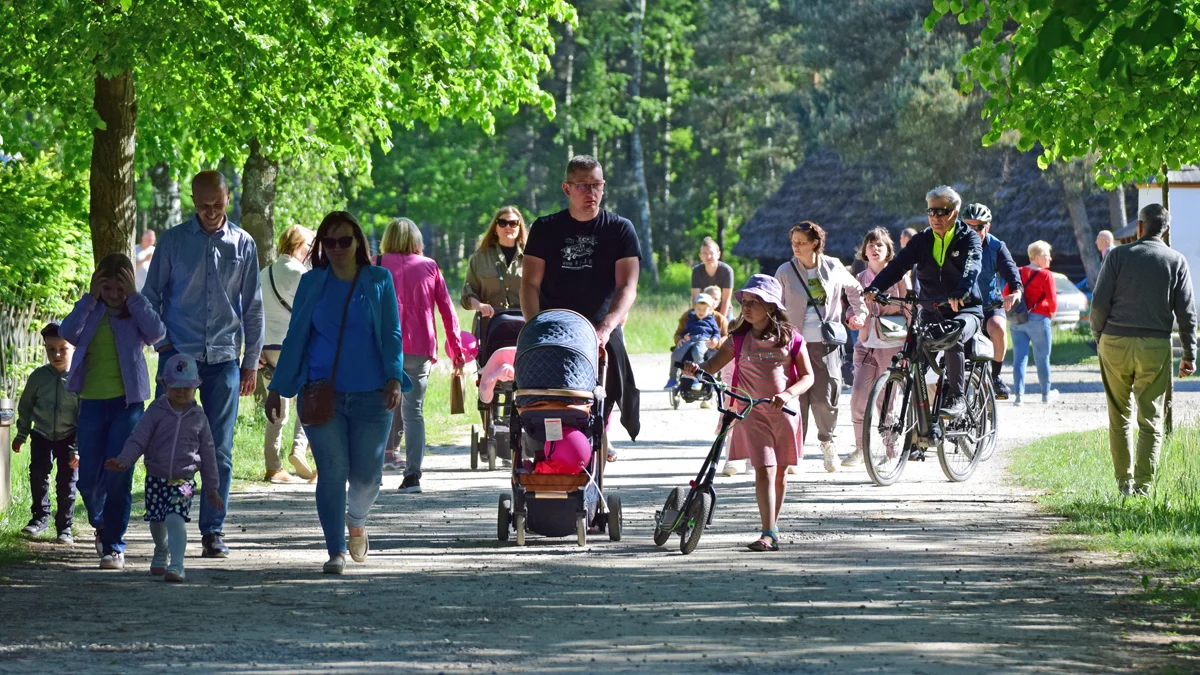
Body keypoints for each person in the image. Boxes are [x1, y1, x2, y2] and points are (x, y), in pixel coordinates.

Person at [266, 211, 409, 574]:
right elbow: (296, 336)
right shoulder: (312, 283)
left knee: (367, 478)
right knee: (331, 471)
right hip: (321, 394)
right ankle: (335, 551)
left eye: (344, 240)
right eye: (329, 242)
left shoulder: (378, 279)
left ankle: (356, 521)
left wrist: (394, 377)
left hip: (373, 396)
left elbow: (392, 333)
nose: (337, 248)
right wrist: (278, 388)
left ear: (359, 241)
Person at [143, 170, 264, 559]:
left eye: (218, 204)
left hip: (225, 359)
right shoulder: (174, 242)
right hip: (180, 359)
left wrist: (251, 363)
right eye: (203, 205)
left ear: (229, 198)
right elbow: (149, 298)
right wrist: (163, 345)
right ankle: (169, 523)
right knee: (171, 445)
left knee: (220, 450)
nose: (211, 212)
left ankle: (213, 529)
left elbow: (253, 309)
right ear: (194, 202)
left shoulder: (243, 244)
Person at [522, 154, 642, 460]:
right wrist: (535, 327)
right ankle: (542, 437)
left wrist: (606, 327)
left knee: (611, 380)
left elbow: (628, 286)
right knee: (548, 387)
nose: (591, 193)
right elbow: (530, 285)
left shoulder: (620, 229)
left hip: (602, 324)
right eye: (583, 186)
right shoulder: (545, 228)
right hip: (554, 325)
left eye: (597, 185)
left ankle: (600, 430)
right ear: (566, 187)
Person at [683, 275, 814, 552]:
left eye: (755, 302)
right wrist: (697, 370)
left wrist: (787, 395)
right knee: (764, 470)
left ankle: (772, 528)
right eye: (745, 301)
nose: (747, 307)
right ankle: (767, 532)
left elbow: (807, 377)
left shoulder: (791, 338)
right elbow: (712, 366)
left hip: (785, 414)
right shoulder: (737, 340)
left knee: (780, 474)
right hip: (751, 413)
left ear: (771, 306)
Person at [60, 253, 166, 570]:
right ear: (98, 287)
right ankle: (101, 522)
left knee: (118, 473)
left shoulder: (134, 310)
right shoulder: (91, 310)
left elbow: (158, 332)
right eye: (108, 289)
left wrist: (134, 297)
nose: (114, 296)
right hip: (92, 403)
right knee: (89, 479)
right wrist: (90, 299)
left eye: (120, 289)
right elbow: (68, 332)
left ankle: (114, 547)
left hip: (127, 405)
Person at [1090, 204, 1197, 496]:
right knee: (1151, 418)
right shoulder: (1176, 260)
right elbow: (1187, 313)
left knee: (1119, 416)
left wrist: (1100, 336)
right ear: (1166, 230)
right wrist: (1189, 354)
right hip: (1155, 345)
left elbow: (1099, 304)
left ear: (1139, 227)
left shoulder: (1117, 256)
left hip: (1115, 341)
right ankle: (1143, 487)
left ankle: (1123, 485)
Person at [864, 185, 984, 421]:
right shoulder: (922, 240)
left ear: (955, 212)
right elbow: (898, 266)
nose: (935, 217)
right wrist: (876, 286)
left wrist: (961, 291)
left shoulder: (968, 238)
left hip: (965, 309)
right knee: (914, 356)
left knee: (952, 335)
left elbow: (972, 266)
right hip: (930, 310)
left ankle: (957, 397)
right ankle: (918, 429)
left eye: (941, 211)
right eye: (931, 212)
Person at [104, 354, 223, 583]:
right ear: (164, 385)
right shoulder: (156, 412)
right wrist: (124, 460)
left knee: (175, 517)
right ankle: (161, 550)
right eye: (176, 387)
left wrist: (212, 487)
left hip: (184, 481)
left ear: (196, 387)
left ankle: (177, 565)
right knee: (157, 520)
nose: (181, 393)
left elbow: (208, 454)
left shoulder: (199, 417)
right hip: (156, 478)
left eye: (187, 388)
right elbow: (138, 438)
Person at [375, 217, 464, 492]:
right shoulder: (429, 267)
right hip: (419, 347)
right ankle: (412, 476)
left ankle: (372, 473)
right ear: (416, 240)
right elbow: (448, 311)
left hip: (381, 348)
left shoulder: (376, 264)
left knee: (376, 411)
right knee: (413, 412)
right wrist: (457, 351)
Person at [775, 221, 866, 473]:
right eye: (793, 242)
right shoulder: (784, 271)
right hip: (794, 345)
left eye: (801, 242)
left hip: (826, 343)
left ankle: (827, 443)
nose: (795, 247)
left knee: (826, 398)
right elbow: (772, 304)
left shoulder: (833, 266)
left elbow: (856, 290)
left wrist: (858, 314)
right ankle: (795, 452)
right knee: (796, 399)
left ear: (815, 242)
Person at [843, 228, 911, 468]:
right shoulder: (859, 279)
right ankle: (861, 449)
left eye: (880, 245)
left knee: (887, 401)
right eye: (870, 244)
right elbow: (851, 307)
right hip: (864, 344)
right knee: (858, 398)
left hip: (892, 345)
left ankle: (891, 451)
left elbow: (910, 310)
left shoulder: (900, 277)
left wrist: (908, 349)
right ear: (864, 250)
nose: (875, 248)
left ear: (888, 250)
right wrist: (852, 317)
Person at [12, 323, 79, 544]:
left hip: (69, 437)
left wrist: (78, 448)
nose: (57, 354)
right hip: (41, 434)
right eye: (51, 349)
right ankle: (40, 518)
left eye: (63, 348)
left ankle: (65, 527)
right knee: (39, 475)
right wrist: (22, 434)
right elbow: (26, 406)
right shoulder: (38, 377)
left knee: (67, 481)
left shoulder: (79, 378)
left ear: (74, 348)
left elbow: (85, 415)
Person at [259, 224, 316, 483]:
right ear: (297, 246)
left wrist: (253, 348)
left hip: (266, 348)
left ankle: (273, 466)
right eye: (309, 246)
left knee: (277, 407)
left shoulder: (263, 273)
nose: (312, 251)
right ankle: (298, 447)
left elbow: (253, 314)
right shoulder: (302, 273)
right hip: (293, 346)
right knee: (308, 397)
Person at [961, 203, 1023, 400]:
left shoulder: (996, 246)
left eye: (979, 227)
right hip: (962, 307)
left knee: (997, 327)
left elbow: (1011, 272)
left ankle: (996, 376)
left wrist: (1015, 291)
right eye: (968, 226)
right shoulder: (953, 244)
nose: (974, 231)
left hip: (989, 305)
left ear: (988, 226)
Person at [461, 206, 526, 335]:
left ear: (519, 227)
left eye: (513, 223)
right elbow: (468, 294)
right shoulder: (480, 257)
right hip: (489, 328)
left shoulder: (532, 257)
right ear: (495, 228)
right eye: (502, 223)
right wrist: (480, 306)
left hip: (523, 328)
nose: (508, 227)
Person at [1008, 241, 1059, 406]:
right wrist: (1051, 314)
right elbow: (1052, 301)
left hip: (1018, 320)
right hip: (1039, 319)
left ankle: (1018, 396)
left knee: (1019, 359)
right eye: (1046, 255)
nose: (1050, 258)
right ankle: (1045, 395)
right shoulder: (1046, 275)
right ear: (1037, 257)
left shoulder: (1017, 272)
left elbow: (1006, 293)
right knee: (1042, 359)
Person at [666, 293, 723, 390]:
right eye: (698, 309)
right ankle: (672, 379)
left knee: (697, 354)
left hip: (703, 340)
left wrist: (715, 339)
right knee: (676, 354)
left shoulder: (711, 319)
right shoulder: (690, 318)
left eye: (704, 309)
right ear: (694, 307)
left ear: (710, 309)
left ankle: (697, 380)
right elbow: (684, 331)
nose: (701, 311)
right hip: (690, 339)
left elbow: (716, 333)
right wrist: (683, 337)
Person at [691, 237, 734, 317]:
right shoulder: (696, 271)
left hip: (724, 311)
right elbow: (695, 300)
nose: (708, 257)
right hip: (703, 311)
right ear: (700, 256)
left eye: (711, 253)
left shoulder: (727, 271)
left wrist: (720, 322)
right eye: (704, 253)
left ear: (718, 254)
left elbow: (725, 300)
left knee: (730, 328)